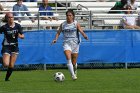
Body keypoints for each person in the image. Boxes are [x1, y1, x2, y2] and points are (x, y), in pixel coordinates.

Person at [52, 10, 88, 80]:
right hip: (66, 43)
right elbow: (58, 32)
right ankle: (73, 76)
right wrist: (55, 39)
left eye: (70, 15)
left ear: (73, 16)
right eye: (67, 15)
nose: (68, 17)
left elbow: (81, 30)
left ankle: (75, 70)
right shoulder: (63, 24)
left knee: (74, 62)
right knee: (68, 58)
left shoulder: (75, 23)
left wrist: (84, 36)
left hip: (75, 43)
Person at [0, 12, 24, 81]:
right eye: (9, 17)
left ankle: (6, 79)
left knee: (11, 65)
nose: (11, 19)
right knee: (6, 64)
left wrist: (20, 36)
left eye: (12, 17)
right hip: (6, 47)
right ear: (7, 19)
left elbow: (23, 36)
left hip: (15, 46)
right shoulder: (4, 27)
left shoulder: (18, 26)